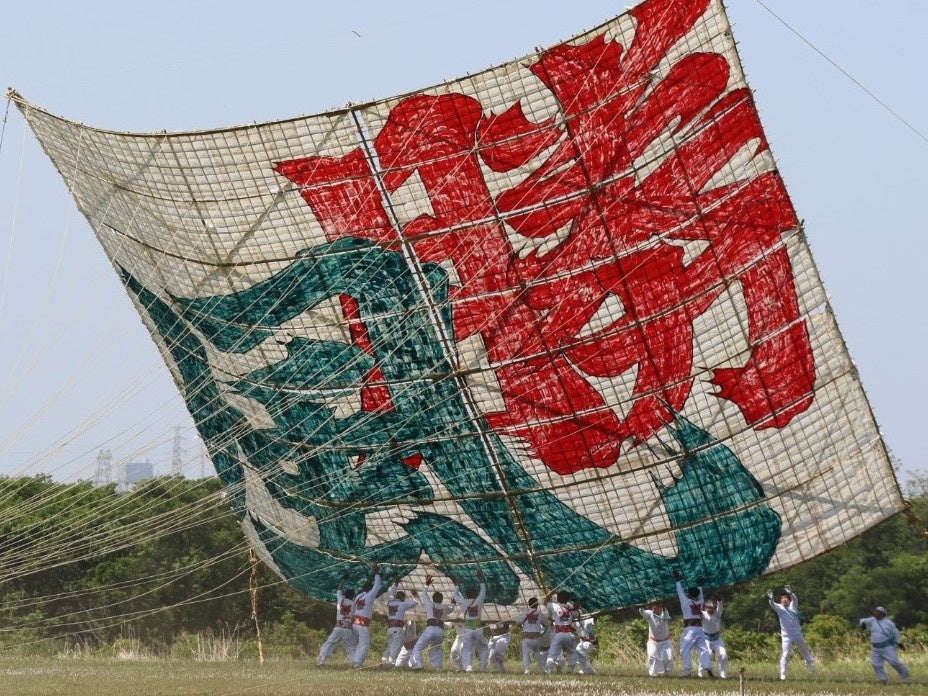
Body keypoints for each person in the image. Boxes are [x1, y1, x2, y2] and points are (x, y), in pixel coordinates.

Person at [766, 585, 815, 680]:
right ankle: (783, 673)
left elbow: (795, 599)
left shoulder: (793, 606)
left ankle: (809, 663)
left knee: (804, 649)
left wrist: (791, 593)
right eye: (782, 599)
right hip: (786, 636)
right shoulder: (780, 608)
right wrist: (771, 599)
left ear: (788, 600)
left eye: (785, 598)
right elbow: (772, 605)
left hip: (797, 634)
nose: (783, 600)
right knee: (786, 654)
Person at [409, 574, 454, 670]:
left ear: (432, 599)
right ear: (442, 600)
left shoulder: (429, 604)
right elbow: (452, 608)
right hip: (440, 631)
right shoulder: (445, 608)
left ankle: (419, 664)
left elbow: (424, 595)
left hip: (430, 629)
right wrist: (452, 602)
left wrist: (427, 584)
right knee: (436, 649)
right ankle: (437, 668)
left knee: (418, 647)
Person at [673, 569, 713, 677]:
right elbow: (700, 594)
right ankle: (708, 667)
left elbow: (679, 591)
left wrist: (677, 579)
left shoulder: (685, 602)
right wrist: (700, 585)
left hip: (690, 629)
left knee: (684, 649)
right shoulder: (700, 602)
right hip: (700, 629)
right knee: (703, 649)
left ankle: (687, 671)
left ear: (689, 594)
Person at [859, 606, 909, 684]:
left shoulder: (889, 623)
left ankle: (905, 677)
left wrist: (899, 642)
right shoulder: (872, 620)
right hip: (875, 648)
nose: (874, 613)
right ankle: (883, 679)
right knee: (875, 664)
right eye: (874, 612)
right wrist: (862, 624)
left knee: (894, 662)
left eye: (876, 612)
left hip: (888, 647)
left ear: (882, 614)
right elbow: (862, 620)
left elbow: (895, 632)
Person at [452, 568, 488, 672]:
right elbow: (483, 590)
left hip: (467, 628)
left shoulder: (463, 602)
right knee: (484, 648)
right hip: (478, 628)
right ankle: (483, 668)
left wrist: (457, 585)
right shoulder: (479, 600)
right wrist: (480, 578)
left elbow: (455, 595)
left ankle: (468, 667)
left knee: (466, 648)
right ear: (476, 594)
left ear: (466, 595)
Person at [349, 564, 382, 668]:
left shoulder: (359, 596)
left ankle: (355, 660)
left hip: (354, 623)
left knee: (357, 644)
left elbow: (353, 609)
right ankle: (357, 663)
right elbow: (377, 585)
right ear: (370, 588)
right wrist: (377, 573)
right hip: (363, 624)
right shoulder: (370, 595)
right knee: (364, 644)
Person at [318, 579, 358, 665]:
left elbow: (339, 589)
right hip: (348, 628)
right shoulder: (354, 604)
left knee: (329, 643)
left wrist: (344, 579)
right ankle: (355, 663)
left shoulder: (340, 600)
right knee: (351, 647)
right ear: (352, 596)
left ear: (345, 595)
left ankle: (322, 660)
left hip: (338, 627)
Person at [381, 580, 418, 667]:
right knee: (396, 647)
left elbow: (391, 591)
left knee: (390, 646)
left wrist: (396, 583)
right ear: (402, 598)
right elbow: (415, 603)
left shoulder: (390, 602)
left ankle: (384, 660)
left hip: (389, 628)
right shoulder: (402, 604)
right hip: (397, 629)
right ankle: (390, 663)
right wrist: (414, 595)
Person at [544, 589, 577, 674]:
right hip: (569, 634)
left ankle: (548, 670)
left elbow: (545, 601)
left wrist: (552, 592)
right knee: (572, 652)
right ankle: (570, 670)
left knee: (553, 653)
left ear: (558, 598)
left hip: (559, 633)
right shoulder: (571, 607)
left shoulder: (554, 606)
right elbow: (576, 615)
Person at [639, 598, 674, 676]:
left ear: (661, 607)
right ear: (652, 607)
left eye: (659, 606)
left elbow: (665, 617)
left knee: (668, 658)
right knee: (652, 656)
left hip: (665, 641)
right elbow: (643, 613)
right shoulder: (649, 613)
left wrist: (664, 609)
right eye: (655, 606)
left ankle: (666, 674)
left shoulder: (665, 613)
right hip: (653, 641)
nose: (657, 609)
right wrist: (641, 608)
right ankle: (654, 674)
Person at [515, 596, 549, 674]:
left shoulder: (524, 613)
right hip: (537, 638)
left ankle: (527, 670)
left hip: (527, 638)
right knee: (538, 655)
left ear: (529, 604)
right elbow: (547, 625)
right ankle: (542, 669)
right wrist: (542, 633)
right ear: (537, 605)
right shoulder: (540, 614)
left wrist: (521, 627)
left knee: (526, 655)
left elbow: (517, 622)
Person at [700, 595, 728, 679]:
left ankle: (723, 675)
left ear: (714, 608)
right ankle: (700, 673)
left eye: (712, 608)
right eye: (708, 607)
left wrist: (719, 599)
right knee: (706, 654)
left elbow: (720, 606)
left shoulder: (717, 613)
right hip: (706, 639)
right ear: (705, 608)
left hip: (717, 639)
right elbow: (698, 609)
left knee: (724, 656)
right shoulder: (703, 614)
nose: (710, 609)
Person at [572, 601, 597, 675]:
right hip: (582, 642)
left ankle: (587, 669)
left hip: (589, 642)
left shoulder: (587, 620)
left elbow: (594, 619)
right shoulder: (575, 621)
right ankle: (588, 670)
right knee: (581, 656)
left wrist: (595, 615)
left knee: (578, 650)